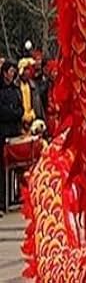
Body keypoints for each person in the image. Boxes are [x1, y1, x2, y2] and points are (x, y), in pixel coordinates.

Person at [0, 61, 23, 215]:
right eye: (10, 71)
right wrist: (11, 112)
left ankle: (14, 197)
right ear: (4, 73)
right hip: (3, 133)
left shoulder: (16, 90)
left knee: (16, 167)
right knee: (2, 169)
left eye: (14, 71)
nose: (12, 74)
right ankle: (2, 202)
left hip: (15, 132)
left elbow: (21, 109)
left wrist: (15, 112)